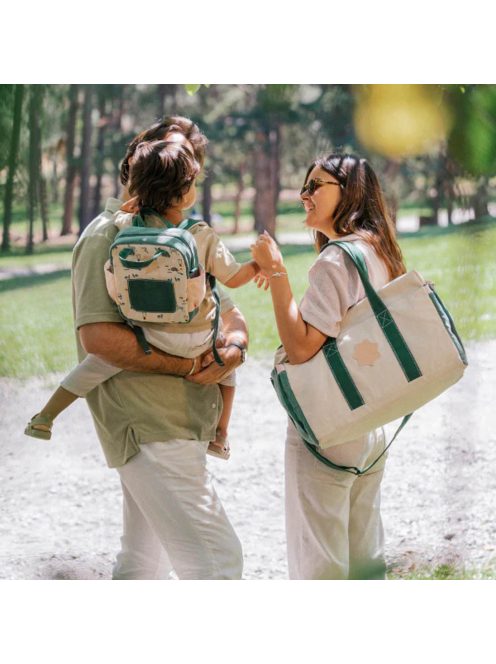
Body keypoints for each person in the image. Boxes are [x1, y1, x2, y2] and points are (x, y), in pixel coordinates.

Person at [29, 117, 247, 580]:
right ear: (137, 159)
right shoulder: (108, 235)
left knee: (145, 560)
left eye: (188, 166)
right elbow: (98, 339)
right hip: (150, 424)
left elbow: (230, 312)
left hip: (181, 421)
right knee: (218, 561)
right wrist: (187, 364)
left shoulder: (185, 236)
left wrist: (234, 348)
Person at [25, 138, 263, 460]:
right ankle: (221, 434)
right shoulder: (201, 234)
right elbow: (234, 278)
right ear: (186, 191)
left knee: (95, 365)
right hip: (195, 340)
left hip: (148, 333)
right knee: (227, 364)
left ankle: (46, 416)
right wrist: (262, 264)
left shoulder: (124, 227)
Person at [251, 153, 407, 580]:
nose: (305, 194)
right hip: (372, 421)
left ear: (350, 191)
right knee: (363, 560)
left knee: (320, 566)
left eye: (316, 185)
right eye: (305, 185)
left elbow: (302, 348)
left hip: (330, 424)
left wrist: (278, 273)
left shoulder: (335, 260)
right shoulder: (380, 251)